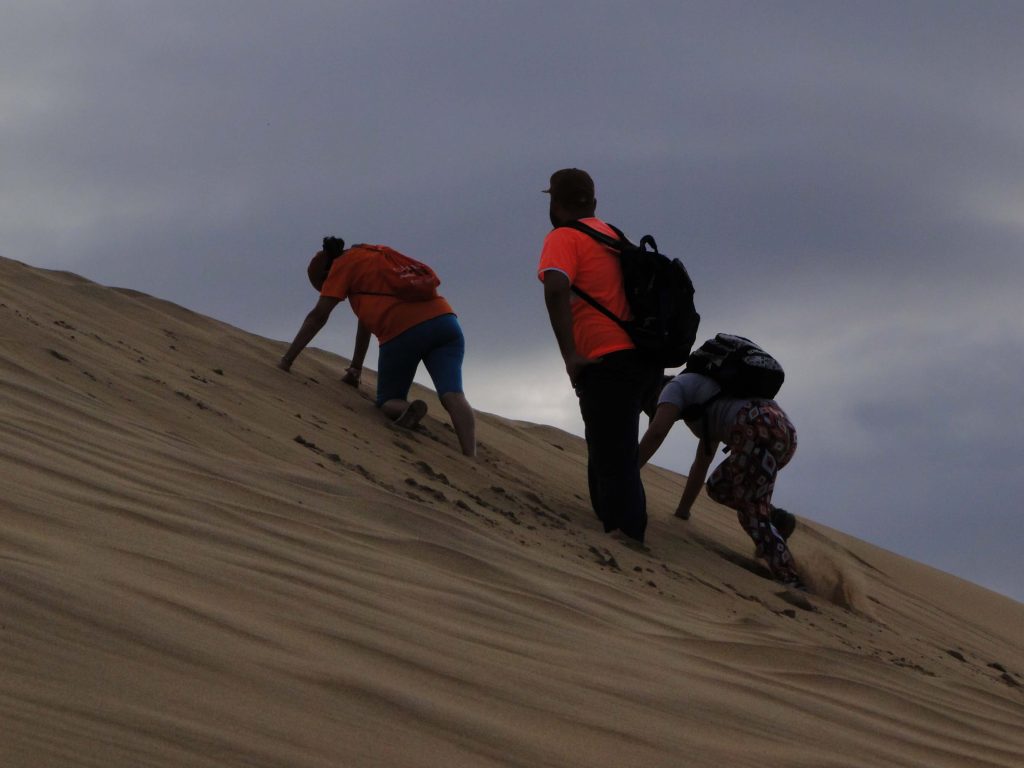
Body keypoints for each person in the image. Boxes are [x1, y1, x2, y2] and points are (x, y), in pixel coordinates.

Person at [537, 169, 664, 544]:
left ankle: (627, 538)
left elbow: (556, 288)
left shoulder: (564, 237)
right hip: (642, 359)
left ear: (555, 204)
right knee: (611, 449)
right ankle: (615, 525)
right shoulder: (613, 236)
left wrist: (569, 354)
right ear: (593, 202)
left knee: (615, 456)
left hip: (608, 361)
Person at [279, 236, 476, 457]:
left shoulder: (341, 266)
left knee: (388, 400)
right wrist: (355, 369)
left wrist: (286, 361)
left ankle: (403, 409)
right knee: (453, 394)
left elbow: (318, 317)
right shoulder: (374, 256)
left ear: (326, 275)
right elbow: (365, 321)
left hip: (402, 332)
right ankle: (471, 454)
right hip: (445, 322)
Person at [637, 370, 802, 587]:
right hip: (783, 434)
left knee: (750, 512)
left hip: (754, 427)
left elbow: (657, 433)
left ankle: (791, 580)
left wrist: (624, 473)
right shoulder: (706, 398)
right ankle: (775, 519)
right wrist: (683, 511)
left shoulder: (674, 388)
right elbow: (702, 463)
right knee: (718, 486)